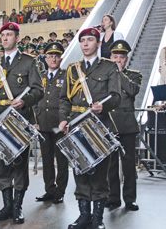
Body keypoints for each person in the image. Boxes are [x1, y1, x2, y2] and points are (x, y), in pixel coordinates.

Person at [58, 27, 121, 229]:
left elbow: (117, 96)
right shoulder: (72, 68)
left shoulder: (109, 67)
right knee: (80, 172)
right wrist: (63, 119)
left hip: (100, 125)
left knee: (100, 174)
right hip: (77, 125)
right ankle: (84, 216)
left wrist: (105, 106)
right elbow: (64, 99)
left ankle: (97, 219)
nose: (85, 44)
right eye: (82, 40)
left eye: (90, 40)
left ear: (99, 43)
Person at [0, 22, 44, 224]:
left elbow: (38, 90)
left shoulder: (28, 62)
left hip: (19, 120)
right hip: (0, 120)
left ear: (17, 37)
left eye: (9, 35)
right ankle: (7, 206)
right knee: (2, 165)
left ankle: (17, 207)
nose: (5, 38)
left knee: (19, 164)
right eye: (3, 35)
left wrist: (25, 101)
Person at [107, 40, 141, 211]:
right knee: (111, 165)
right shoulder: (105, 76)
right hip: (110, 124)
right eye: (115, 57)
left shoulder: (134, 75)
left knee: (128, 165)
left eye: (121, 57)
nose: (118, 60)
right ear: (110, 57)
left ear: (126, 59)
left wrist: (118, 73)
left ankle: (130, 198)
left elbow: (133, 90)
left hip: (127, 125)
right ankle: (113, 197)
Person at [35, 42, 68, 204]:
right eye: (50, 56)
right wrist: (35, 120)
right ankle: (49, 189)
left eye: (56, 56)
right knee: (47, 160)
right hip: (43, 124)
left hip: (59, 125)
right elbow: (35, 99)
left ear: (61, 58)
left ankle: (60, 191)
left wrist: (66, 120)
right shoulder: (39, 76)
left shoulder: (66, 76)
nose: (53, 58)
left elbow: (67, 100)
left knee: (61, 160)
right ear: (45, 58)